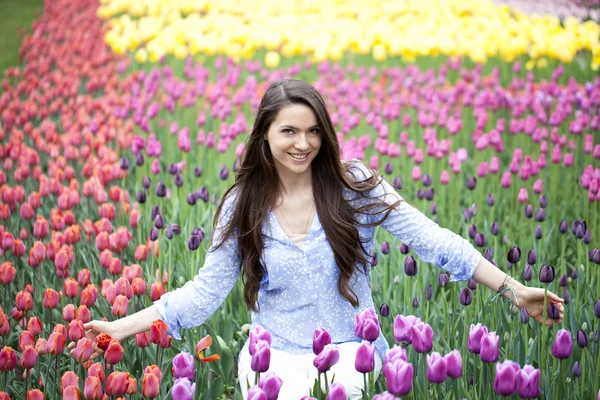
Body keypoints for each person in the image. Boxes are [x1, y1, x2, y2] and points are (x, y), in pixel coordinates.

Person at [71, 79, 564, 399]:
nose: (302, 143)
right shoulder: (242, 205)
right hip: (275, 371)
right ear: (264, 134)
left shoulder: (353, 186)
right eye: (288, 131)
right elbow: (200, 296)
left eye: (312, 131)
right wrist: (120, 329)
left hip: (355, 359)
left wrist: (513, 290)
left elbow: (434, 241)